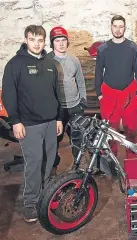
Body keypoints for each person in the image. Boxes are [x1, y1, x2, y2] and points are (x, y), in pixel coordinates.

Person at [1, 25, 63, 223]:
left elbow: (57, 93)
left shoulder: (51, 63)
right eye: (32, 39)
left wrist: (59, 117)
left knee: (49, 160)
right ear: (26, 40)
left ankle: (45, 196)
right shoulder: (15, 64)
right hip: (28, 124)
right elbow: (9, 96)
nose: (37, 44)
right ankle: (30, 202)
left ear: (44, 41)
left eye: (40, 40)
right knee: (34, 162)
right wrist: (15, 122)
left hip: (51, 122)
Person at [95, 15, 137, 158]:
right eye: (115, 26)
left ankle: (132, 162)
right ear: (111, 27)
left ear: (125, 28)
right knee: (110, 132)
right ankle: (110, 162)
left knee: (131, 131)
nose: (117, 29)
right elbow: (98, 72)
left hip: (129, 93)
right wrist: (99, 94)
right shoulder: (103, 49)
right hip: (109, 94)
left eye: (120, 26)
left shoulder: (133, 48)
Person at [47, 26, 87, 174]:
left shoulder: (74, 60)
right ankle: (52, 169)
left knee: (77, 139)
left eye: (64, 40)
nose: (61, 43)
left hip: (75, 106)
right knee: (53, 141)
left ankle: (79, 168)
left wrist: (83, 101)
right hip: (57, 110)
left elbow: (80, 81)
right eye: (57, 40)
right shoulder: (47, 61)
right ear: (52, 43)